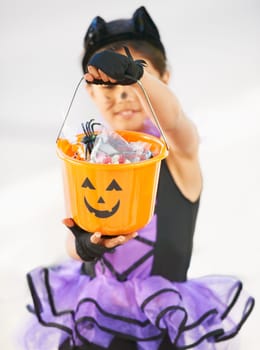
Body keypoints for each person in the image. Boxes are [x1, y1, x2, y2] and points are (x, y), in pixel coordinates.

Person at [24, 6, 254, 350]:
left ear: (165, 80)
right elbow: (74, 234)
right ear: (91, 93)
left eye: (133, 82)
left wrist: (136, 73)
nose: (123, 97)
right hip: (94, 318)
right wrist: (85, 246)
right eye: (109, 89)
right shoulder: (84, 156)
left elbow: (173, 118)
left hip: (162, 321)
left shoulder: (178, 152)